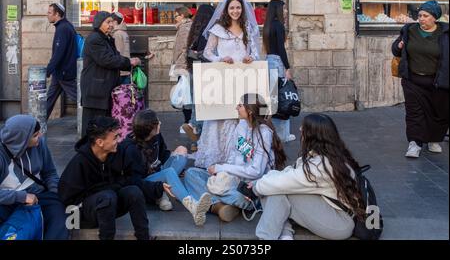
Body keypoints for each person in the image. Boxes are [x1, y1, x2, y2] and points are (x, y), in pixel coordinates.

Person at [250, 113, 365, 240]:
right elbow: (290, 174)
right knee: (275, 187)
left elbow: (284, 182)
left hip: (339, 223)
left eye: (303, 127)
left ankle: (267, 238)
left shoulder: (320, 166)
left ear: (313, 135)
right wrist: (262, 182)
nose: (300, 129)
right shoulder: (330, 157)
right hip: (333, 212)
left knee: (276, 189)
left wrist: (256, 187)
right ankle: (284, 236)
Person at [184, 93, 287, 223]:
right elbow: (234, 156)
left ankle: (216, 203)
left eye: (240, 105)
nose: (236, 108)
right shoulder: (242, 126)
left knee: (236, 196)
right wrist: (222, 173)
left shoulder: (264, 133)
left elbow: (256, 171)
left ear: (249, 110)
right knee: (191, 174)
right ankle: (219, 205)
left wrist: (220, 168)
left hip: (248, 188)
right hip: (234, 181)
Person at [193, 0, 261, 169]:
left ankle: (242, 159)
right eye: (232, 8)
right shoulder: (218, 29)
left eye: (238, 7)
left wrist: (250, 58)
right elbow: (208, 52)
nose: (235, 11)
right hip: (224, 78)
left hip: (244, 78)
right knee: (221, 117)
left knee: (242, 118)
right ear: (226, 9)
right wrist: (220, 59)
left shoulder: (248, 28)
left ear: (243, 9)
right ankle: (219, 161)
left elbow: (255, 53)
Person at [58, 117, 150, 240]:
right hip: (83, 213)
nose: (118, 140)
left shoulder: (116, 152)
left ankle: (143, 237)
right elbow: (67, 199)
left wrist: (157, 187)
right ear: (100, 142)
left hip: (108, 207)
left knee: (134, 192)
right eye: (115, 137)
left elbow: (128, 179)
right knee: (107, 197)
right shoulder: (80, 162)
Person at [120, 110, 212, 226]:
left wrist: (178, 169)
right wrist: (157, 186)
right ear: (150, 128)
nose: (160, 122)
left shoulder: (156, 136)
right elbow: (134, 181)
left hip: (158, 173)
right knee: (169, 173)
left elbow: (163, 155)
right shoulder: (131, 149)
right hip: (146, 185)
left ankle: (163, 195)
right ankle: (193, 207)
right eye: (157, 122)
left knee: (181, 151)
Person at [392, 0, 449, 158]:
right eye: (420, 15)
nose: (421, 18)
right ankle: (414, 143)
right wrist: (399, 46)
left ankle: (433, 140)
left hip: (438, 82)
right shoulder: (409, 30)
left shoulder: (444, 34)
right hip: (412, 81)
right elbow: (395, 50)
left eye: (425, 15)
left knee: (439, 113)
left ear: (435, 17)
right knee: (413, 113)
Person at [0, 115, 69, 240]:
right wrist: (22, 197)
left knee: (59, 215)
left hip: (38, 196)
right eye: (35, 135)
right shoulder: (1, 154)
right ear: (22, 139)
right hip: (8, 200)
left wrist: (55, 192)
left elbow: (50, 173)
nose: (40, 136)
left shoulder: (40, 144)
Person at [80, 11, 142, 137]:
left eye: (112, 22)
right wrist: (129, 62)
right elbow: (107, 60)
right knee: (93, 129)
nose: (111, 25)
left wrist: (128, 63)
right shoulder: (94, 39)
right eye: (108, 22)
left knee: (103, 128)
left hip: (104, 90)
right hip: (95, 91)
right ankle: (89, 153)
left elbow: (116, 57)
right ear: (99, 23)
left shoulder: (107, 39)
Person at [182, 4, 216, 152]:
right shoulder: (209, 31)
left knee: (197, 102)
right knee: (207, 105)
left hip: (194, 69)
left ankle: (195, 132)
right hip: (207, 70)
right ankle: (197, 129)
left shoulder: (194, 30)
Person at [263, 0, 296, 143]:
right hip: (277, 62)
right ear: (277, 10)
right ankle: (283, 134)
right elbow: (281, 49)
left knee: (272, 100)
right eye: (284, 8)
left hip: (268, 61)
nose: (286, 11)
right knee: (282, 99)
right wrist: (287, 67)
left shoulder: (268, 26)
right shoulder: (279, 26)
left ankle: (272, 133)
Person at [46, 3, 78, 120]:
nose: (47, 15)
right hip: (60, 72)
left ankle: (92, 121)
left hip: (64, 72)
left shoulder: (63, 29)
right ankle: (37, 125)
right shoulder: (65, 26)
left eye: (50, 12)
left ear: (57, 14)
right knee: (49, 99)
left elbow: (58, 53)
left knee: (80, 99)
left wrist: (48, 70)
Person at [171, 7, 193, 133]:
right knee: (187, 95)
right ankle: (188, 121)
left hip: (183, 66)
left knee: (185, 96)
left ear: (182, 15)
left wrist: (176, 63)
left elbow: (181, 49)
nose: (175, 18)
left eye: (176, 16)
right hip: (186, 65)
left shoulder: (184, 28)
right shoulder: (187, 27)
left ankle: (187, 122)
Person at [111, 12, 131, 85]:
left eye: (111, 21)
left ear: (115, 22)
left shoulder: (117, 34)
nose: (110, 24)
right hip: (126, 68)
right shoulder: (124, 33)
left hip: (120, 71)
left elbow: (117, 52)